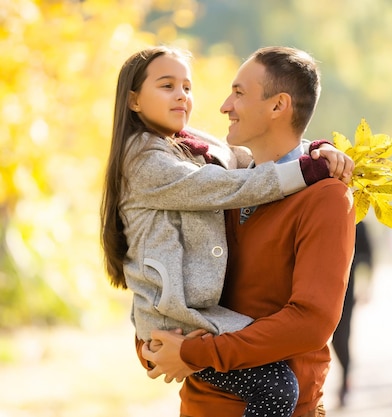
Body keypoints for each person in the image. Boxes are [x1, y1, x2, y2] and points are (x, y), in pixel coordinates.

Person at [100, 45, 353, 417]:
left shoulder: (324, 196)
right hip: (199, 406)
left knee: (278, 387)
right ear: (134, 100)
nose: (222, 106)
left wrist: (314, 154)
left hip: (285, 403)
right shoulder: (212, 183)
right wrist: (154, 345)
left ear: (278, 105)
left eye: (238, 93)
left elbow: (309, 323)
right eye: (168, 86)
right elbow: (164, 277)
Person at [331, 220, 373, 407]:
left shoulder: (358, 221)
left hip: (347, 290)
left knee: (342, 338)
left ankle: (345, 383)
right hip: (320, 286)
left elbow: (368, 257)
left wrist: (365, 286)